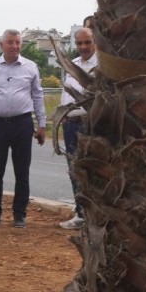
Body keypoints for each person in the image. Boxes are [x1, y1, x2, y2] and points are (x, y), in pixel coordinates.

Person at [0, 29, 46, 228]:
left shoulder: (31, 67)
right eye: (10, 42)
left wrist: (42, 125)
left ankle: (19, 214)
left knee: (22, 172)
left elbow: (38, 97)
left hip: (23, 123)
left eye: (17, 42)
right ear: (1, 44)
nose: (14, 46)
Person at [57, 26, 98, 230]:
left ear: (95, 42)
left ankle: (94, 215)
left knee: (91, 170)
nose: (83, 47)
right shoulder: (72, 65)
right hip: (70, 124)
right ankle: (80, 213)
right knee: (75, 169)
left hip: (89, 124)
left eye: (87, 42)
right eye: (80, 43)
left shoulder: (101, 65)